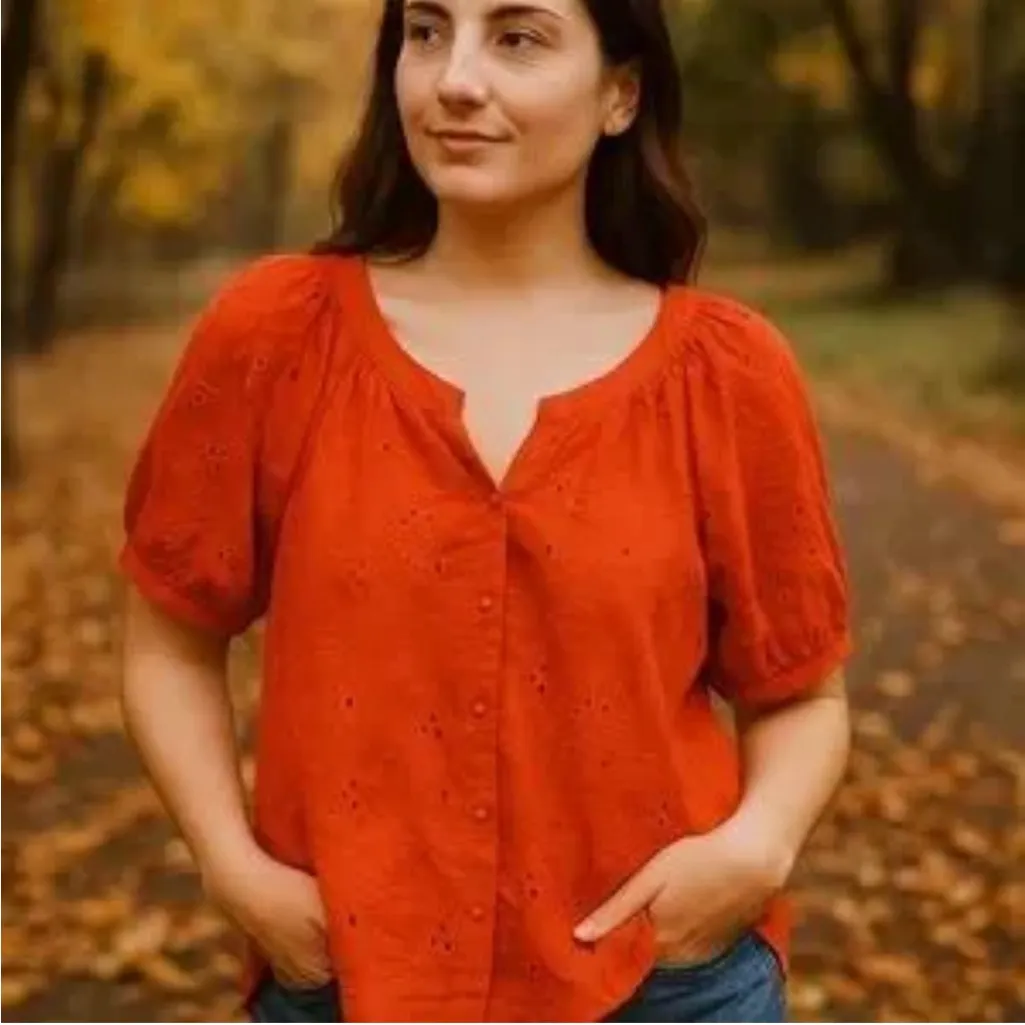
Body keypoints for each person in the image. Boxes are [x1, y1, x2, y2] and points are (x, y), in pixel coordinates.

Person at [118, 0, 854, 1021]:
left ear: (619, 93)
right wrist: (230, 867)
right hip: (344, 981)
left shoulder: (725, 373)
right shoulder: (274, 335)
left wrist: (752, 847)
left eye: (516, 37)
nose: (453, 79)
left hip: (664, 982)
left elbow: (802, 695)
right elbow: (168, 638)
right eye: (426, 32)